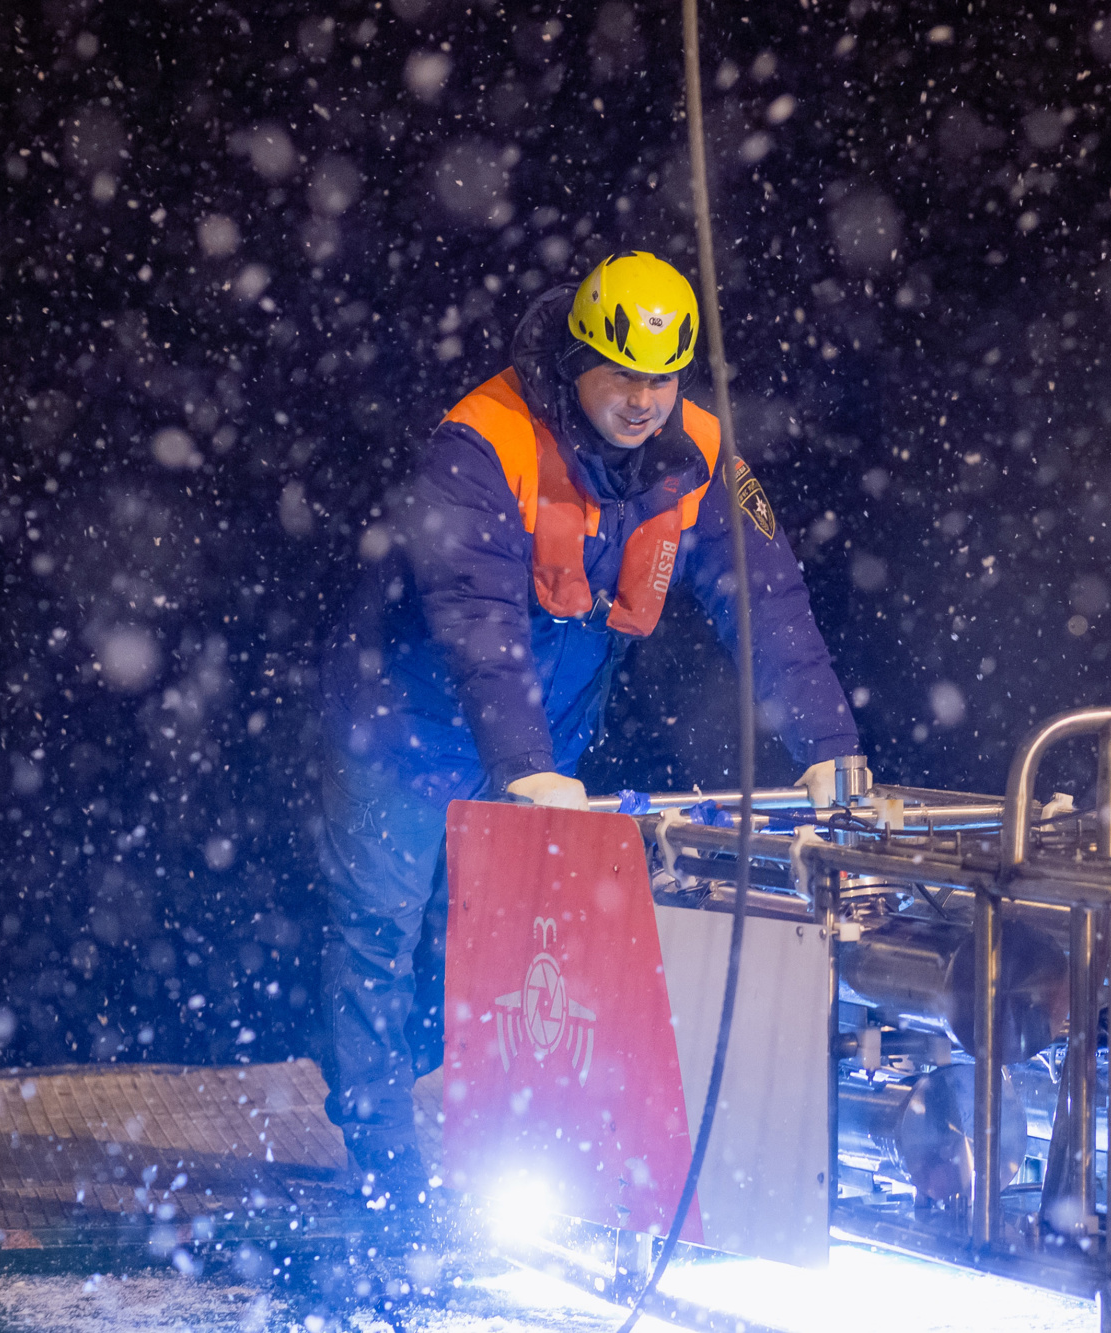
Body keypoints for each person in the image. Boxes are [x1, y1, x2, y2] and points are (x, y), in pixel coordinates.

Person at [315, 251, 862, 1205]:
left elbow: (765, 596)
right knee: (379, 931)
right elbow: (476, 617)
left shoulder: (701, 456)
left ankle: (502, 1142)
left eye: (664, 377)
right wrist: (523, 762)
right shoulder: (480, 444)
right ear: (579, 357)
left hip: (543, 744)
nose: (647, 399)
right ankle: (383, 1154)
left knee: (514, 947)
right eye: (625, 375)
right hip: (407, 728)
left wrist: (826, 739)